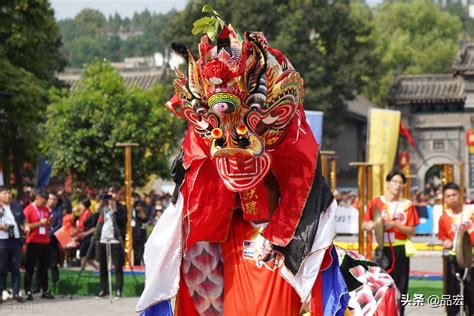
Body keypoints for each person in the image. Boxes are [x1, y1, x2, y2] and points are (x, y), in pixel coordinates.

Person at [362, 170, 419, 315]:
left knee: (401, 287)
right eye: (395, 181)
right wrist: (370, 226)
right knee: (379, 286)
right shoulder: (376, 202)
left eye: (401, 183)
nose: (398, 185)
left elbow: (412, 231)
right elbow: (364, 224)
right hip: (382, 250)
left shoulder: (407, 205)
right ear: (388, 183)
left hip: (400, 249)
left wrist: (394, 225)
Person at [438, 182, 474, 316]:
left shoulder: (471, 211)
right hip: (453, 259)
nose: (452, 198)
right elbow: (443, 238)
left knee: (471, 294)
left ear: (461, 194)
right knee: (452, 294)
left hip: (471, 257)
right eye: (448, 196)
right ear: (445, 199)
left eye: (454, 194)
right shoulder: (444, 218)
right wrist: (445, 242)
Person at [23, 190, 54, 300]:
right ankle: (28, 290)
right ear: (37, 198)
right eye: (42, 202)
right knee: (30, 268)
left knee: (44, 268)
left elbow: (48, 223)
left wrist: (49, 223)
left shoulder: (45, 209)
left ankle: (44, 290)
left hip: (45, 241)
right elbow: (25, 227)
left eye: (46, 202)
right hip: (33, 241)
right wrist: (40, 223)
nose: (44, 204)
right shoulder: (28, 210)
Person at [96, 188, 127, 298]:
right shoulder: (103, 208)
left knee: (118, 266)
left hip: (115, 240)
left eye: (113, 193)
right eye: (109, 194)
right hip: (103, 239)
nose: (111, 196)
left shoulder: (122, 208)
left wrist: (115, 211)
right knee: (103, 266)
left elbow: (123, 221)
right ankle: (103, 289)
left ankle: (118, 289)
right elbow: (97, 221)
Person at [0, 185, 25, 303]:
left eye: (9, 193)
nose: (8, 195)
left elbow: (23, 220)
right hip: (2, 241)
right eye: (5, 193)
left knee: (16, 268)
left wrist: (26, 226)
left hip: (15, 240)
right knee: (1, 268)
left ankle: (16, 292)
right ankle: (1, 292)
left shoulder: (16, 206)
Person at [77, 197, 98, 270]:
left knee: (85, 256)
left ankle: (82, 270)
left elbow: (94, 228)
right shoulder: (81, 215)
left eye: (80, 205)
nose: (79, 207)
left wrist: (85, 233)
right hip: (83, 237)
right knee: (84, 256)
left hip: (88, 237)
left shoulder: (91, 215)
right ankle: (97, 267)